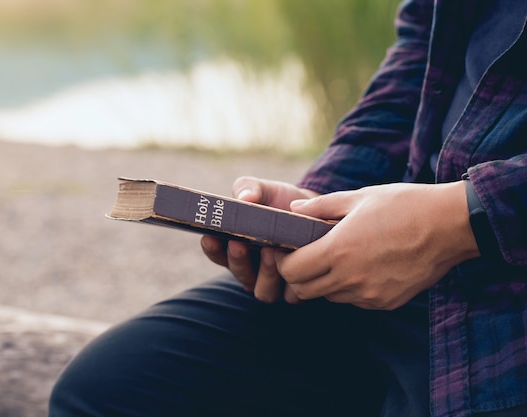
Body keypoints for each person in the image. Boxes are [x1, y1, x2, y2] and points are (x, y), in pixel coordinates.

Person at [49, 0, 527, 416]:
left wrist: (462, 219)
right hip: (391, 282)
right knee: (111, 390)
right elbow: (422, 64)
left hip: (506, 308)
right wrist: (311, 207)